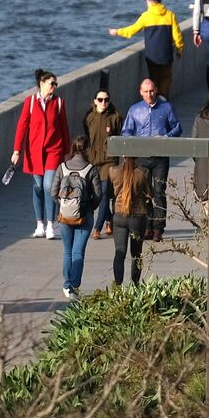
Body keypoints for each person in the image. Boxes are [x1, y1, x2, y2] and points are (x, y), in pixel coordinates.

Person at [119, 78, 182, 241]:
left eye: (151, 91)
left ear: (156, 90)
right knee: (143, 192)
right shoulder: (134, 110)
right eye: (146, 92)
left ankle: (158, 228)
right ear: (140, 92)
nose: (149, 94)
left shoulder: (166, 107)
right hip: (141, 157)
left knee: (159, 192)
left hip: (160, 157)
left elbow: (177, 127)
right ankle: (146, 225)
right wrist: (130, 147)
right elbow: (126, 131)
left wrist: (167, 137)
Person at [11, 69, 70, 240]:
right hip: (34, 151)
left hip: (54, 150)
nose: (54, 87)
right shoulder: (30, 102)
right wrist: (17, 151)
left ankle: (51, 225)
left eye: (55, 84)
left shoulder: (58, 103)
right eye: (52, 83)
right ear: (42, 84)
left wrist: (67, 152)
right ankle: (40, 225)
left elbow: (64, 128)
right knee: (37, 187)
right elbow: (22, 127)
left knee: (48, 186)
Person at [50, 135, 102, 300]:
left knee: (67, 252)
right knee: (78, 252)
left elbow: (53, 192)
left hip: (64, 217)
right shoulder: (91, 169)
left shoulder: (62, 167)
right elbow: (98, 195)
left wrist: (63, 206)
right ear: (87, 149)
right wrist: (88, 209)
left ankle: (67, 285)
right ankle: (74, 286)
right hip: (84, 217)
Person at [108, 0, 184, 99]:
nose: (146, 3)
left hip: (151, 55)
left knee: (154, 78)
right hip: (166, 54)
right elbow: (177, 36)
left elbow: (131, 30)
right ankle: (163, 99)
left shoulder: (146, 16)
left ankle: (154, 99)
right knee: (166, 77)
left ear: (151, 1)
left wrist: (117, 32)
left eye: (147, 1)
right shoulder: (170, 15)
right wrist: (179, 49)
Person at [82, 88, 122, 240]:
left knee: (104, 193)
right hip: (93, 161)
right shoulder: (89, 117)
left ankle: (97, 228)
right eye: (100, 100)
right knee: (96, 194)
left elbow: (118, 135)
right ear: (95, 101)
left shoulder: (115, 116)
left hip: (109, 161)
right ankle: (109, 219)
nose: (103, 103)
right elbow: (87, 133)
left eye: (106, 100)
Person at [109, 157, 151, 286]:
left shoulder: (113, 171)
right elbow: (150, 193)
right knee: (136, 254)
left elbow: (110, 194)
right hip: (137, 217)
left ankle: (117, 286)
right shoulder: (143, 172)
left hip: (119, 214)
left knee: (119, 252)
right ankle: (135, 285)